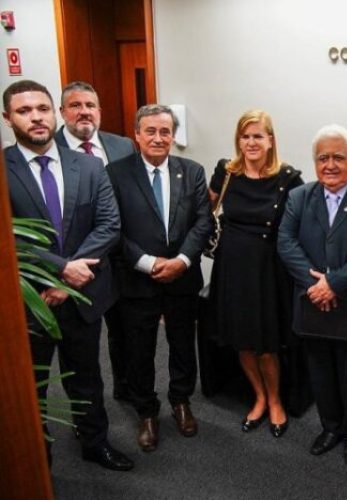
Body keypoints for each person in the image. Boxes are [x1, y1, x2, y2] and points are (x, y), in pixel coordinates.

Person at [2, 79, 133, 471]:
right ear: (8, 118)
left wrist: (71, 276)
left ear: (54, 113)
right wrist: (60, 273)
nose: (36, 117)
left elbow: (109, 225)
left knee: (86, 376)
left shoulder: (90, 166)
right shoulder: (2, 170)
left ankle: (95, 443)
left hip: (83, 293)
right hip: (30, 299)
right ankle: (37, 458)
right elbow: (8, 235)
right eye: (24, 111)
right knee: (34, 385)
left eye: (42, 108)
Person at [277, 124, 347, 466]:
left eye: (338, 157)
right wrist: (315, 286)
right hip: (313, 303)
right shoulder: (299, 196)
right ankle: (331, 427)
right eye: (322, 158)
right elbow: (285, 242)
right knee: (320, 371)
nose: (330, 165)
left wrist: (334, 283)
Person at [106, 104, 212, 452]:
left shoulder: (192, 171)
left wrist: (182, 260)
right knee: (139, 350)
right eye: (150, 131)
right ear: (136, 134)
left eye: (165, 131)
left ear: (173, 135)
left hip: (182, 278)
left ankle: (181, 402)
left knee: (183, 345)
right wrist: (148, 262)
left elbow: (202, 222)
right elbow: (112, 228)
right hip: (137, 280)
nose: (158, 138)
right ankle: (147, 412)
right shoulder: (115, 173)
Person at [208, 109, 302, 436]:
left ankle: (275, 401)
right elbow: (204, 212)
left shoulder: (288, 178)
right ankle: (259, 397)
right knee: (242, 340)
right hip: (231, 267)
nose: (251, 142)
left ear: (271, 140)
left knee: (266, 343)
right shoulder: (226, 172)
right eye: (245, 136)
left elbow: (298, 229)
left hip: (267, 271)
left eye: (258, 136)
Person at [55, 80, 137, 402]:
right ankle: (84, 416)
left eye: (90, 105)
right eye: (75, 106)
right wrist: (65, 267)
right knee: (79, 348)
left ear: (100, 111)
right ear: (62, 113)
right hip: (77, 263)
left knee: (124, 333)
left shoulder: (123, 146)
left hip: (121, 259)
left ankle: (125, 388)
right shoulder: (51, 151)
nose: (84, 112)